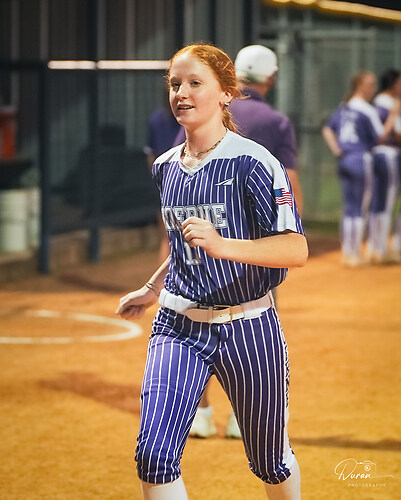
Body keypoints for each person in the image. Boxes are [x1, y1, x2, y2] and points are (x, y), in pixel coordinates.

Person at [116, 43, 307, 499]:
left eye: (194, 83)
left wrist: (223, 245)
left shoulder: (254, 162)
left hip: (249, 326)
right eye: (174, 84)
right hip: (178, 325)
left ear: (225, 93)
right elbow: (185, 246)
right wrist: (152, 287)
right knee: (154, 456)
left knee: (270, 462)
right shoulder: (166, 167)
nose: (181, 93)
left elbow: (295, 248)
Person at [176, 45, 304, 440]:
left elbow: (180, 177)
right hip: (253, 254)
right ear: (272, 78)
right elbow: (289, 182)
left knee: (193, 324)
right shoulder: (276, 121)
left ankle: (199, 413)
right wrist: (292, 230)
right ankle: (240, 417)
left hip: (198, 245)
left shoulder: (200, 109)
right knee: (252, 328)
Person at [322, 70, 400, 267]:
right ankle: (354, 254)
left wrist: (337, 149)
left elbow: (327, 129)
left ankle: (347, 252)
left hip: (345, 159)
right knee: (359, 207)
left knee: (349, 207)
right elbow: (381, 136)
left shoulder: (345, 106)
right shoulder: (366, 109)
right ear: (361, 86)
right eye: (370, 84)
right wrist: (393, 114)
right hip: (361, 158)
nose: (373, 88)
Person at [144, 95, 183, 263]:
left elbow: (150, 156)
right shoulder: (188, 119)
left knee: (167, 238)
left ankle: (167, 279)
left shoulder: (156, 119)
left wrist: (158, 180)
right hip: (183, 182)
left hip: (163, 184)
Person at [371, 69, 401, 262]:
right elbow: (395, 134)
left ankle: (379, 247)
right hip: (389, 155)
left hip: (378, 155)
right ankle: (382, 248)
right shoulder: (388, 103)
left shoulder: (378, 102)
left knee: (380, 202)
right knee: (386, 202)